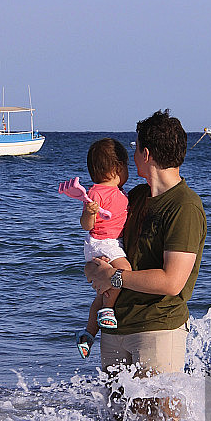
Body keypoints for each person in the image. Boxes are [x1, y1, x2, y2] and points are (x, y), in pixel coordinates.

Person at [85, 110, 207, 418]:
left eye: (135, 148)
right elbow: (101, 245)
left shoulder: (185, 207)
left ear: (147, 153)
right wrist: (93, 270)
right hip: (116, 328)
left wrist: (113, 278)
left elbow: (171, 282)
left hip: (157, 329)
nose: (132, 155)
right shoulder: (134, 197)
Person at [76, 138, 133, 358]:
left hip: (107, 244)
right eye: (126, 167)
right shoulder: (96, 194)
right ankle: (108, 310)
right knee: (124, 272)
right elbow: (86, 226)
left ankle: (88, 334)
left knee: (101, 293)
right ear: (117, 168)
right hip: (102, 243)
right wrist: (89, 213)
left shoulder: (120, 192)